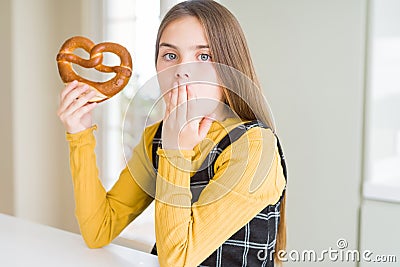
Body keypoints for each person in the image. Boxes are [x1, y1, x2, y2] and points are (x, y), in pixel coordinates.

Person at [57, 0, 287, 266]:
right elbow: (98, 230)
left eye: (204, 56)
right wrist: (80, 134)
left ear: (230, 68)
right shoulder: (156, 138)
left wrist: (176, 150)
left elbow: (177, 260)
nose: (182, 71)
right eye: (170, 55)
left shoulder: (254, 147)